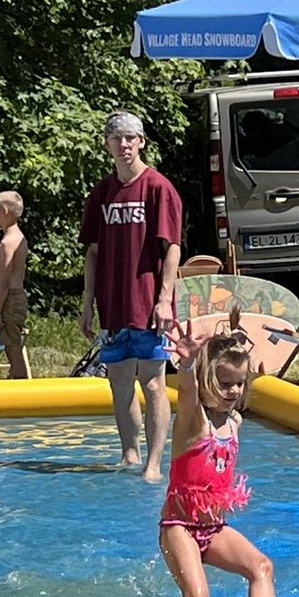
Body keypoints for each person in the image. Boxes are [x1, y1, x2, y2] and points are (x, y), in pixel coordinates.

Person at [150, 319, 276, 597]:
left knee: (261, 567)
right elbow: (189, 394)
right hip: (179, 526)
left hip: (214, 528)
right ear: (208, 378)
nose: (233, 391)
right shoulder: (193, 423)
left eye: (239, 383)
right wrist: (189, 364)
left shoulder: (235, 422)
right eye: (224, 383)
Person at [80, 111, 182, 481]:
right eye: (116, 138)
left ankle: (154, 463)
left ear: (141, 142)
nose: (123, 144)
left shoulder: (158, 188)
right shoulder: (102, 192)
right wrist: (87, 302)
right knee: (119, 379)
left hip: (148, 303)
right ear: (107, 144)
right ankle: (129, 454)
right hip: (112, 303)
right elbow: (92, 251)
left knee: (153, 381)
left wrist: (163, 298)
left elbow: (172, 248)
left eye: (130, 138)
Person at [0, 190, 30, 379]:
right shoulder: (20, 238)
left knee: (12, 347)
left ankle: (21, 383)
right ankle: (16, 379)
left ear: (5, 211)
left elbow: (3, 282)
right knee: (14, 345)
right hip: (18, 295)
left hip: (10, 298)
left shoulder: (7, 243)